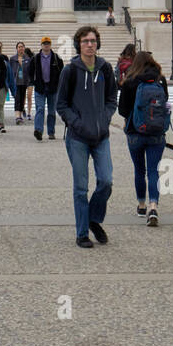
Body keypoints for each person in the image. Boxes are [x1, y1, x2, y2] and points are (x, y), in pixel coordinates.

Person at [56, 25, 118, 248]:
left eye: (92, 41)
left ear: (97, 43)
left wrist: (106, 117)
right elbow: (61, 104)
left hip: (101, 135)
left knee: (106, 181)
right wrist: (77, 122)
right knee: (81, 187)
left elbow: (112, 98)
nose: (90, 45)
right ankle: (82, 232)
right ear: (78, 45)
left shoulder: (106, 68)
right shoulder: (69, 70)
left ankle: (93, 219)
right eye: (85, 41)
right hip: (78, 138)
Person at [118, 51, 171, 226]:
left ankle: (141, 205)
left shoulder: (130, 81)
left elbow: (123, 110)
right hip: (156, 133)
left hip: (135, 132)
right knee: (153, 170)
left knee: (139, 170)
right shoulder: (160, 80)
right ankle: (153, 205)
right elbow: (165, 103)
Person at [28, 36, 63, 140]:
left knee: (52, 111)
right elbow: (30, 72)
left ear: (50, 45)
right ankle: (38, 131)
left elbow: (62, 73)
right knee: (40, 109)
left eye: (48, 43)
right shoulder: (35, 58)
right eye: (44, 43)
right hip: (40, 88)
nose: (46, 45)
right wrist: (34, 82)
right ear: (41, 45)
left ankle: (51, 132)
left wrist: (59, 85)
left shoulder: (57, 58)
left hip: (53, 88)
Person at [8, 41, 30, 126]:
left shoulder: (27, 58)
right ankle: (17, 117)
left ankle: (20, 115)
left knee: (22, 99)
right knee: (17, 99)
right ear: (17, 49)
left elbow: (29, 70)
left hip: (24, 82)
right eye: (19, 47)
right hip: (15, 82)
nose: (21, 48)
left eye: (22, 47)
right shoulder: (13, 59)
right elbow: (10, 70)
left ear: (24, 48)